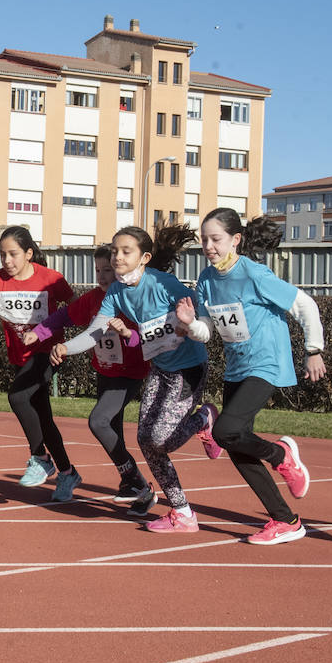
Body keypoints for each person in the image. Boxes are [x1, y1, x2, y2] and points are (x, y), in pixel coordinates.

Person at [55, 225, 210, 531]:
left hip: (189, 367)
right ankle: (182, 512)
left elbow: (202, 319)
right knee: (145, 440)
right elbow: (95, 332)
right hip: (161, 369)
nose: (117, 257)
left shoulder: (164, 284)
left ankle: (203, 420)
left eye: (126, 251)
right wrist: (66, 347)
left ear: (144, 257)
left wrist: (189, 323)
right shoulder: (116, 292)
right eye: (114, 251)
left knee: (158, 439)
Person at [190, 209, 325, 545]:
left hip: (266, 364)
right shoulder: (206, 280)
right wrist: (189, 325)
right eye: (203, 239)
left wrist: (313, 350)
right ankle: (286, 520)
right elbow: (207, 330)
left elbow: (305, 305)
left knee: (226, 431)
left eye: (215, 239)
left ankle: (281, 455)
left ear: (236, 240)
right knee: (235, 445)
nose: (208, 246)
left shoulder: (254, 274)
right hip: (237, 365)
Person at [30, 244, 154, 513]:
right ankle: (137, 488)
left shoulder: (132, 298)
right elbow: (64, 315)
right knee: (112, 432)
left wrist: (128, 336)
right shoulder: (94, 298)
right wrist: (40, 332)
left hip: (130, 374)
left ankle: (134, 480)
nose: (102, 275)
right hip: (105, 371)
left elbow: (146, 339)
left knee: (98, 421)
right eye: (98, 270)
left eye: (107, 269)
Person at [0, 226, 78, 500]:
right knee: (44, 420)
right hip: (19, 358)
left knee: (18, 397)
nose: (7, 261)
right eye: (2, 256)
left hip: (48, 353)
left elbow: (77, 311)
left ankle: (40, 458)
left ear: (29, 254)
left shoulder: (51, 280)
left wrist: (56, 334)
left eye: (13, 254)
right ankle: (68, 472)